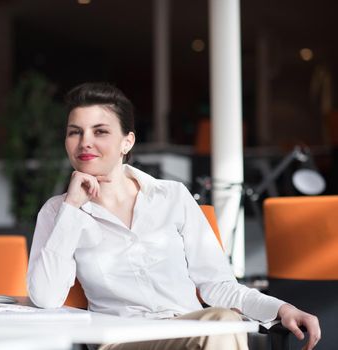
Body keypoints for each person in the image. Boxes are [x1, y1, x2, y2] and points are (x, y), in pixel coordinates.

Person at [27, 82, 321, 350]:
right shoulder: (58, 212)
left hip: (191, 330)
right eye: (74, 132)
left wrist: (282, 309)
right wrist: (73, 207)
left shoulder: (171, 196)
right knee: (222, 327)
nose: (84, 142)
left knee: (223, 322)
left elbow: (218, 285)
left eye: (100, 131)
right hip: (123, 342)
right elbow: (46, 297)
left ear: (126, 142)